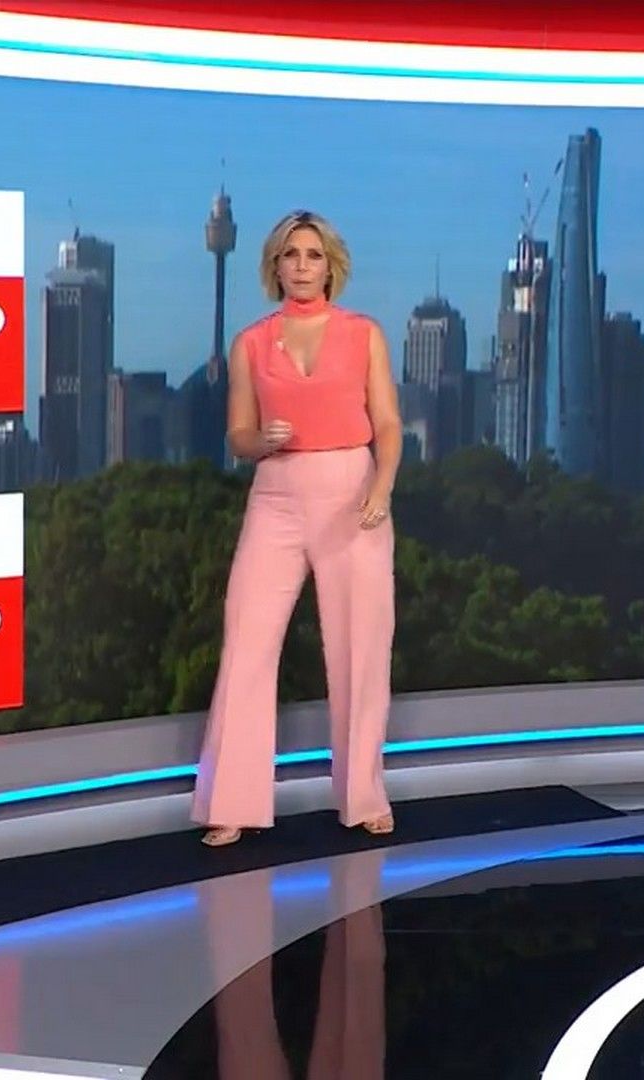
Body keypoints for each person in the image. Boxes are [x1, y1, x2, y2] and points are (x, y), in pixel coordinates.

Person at [192, 209, 401, 848]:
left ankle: (364, 795)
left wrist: (381, 488)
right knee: (247, 643)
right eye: (291, 255)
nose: (303, 266)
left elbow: (388, 424)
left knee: (360, 648)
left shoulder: (363, 334)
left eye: (313, 255)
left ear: (330, 266)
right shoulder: (251, 343)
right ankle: (230, 802)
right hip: (277, 495)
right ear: (275, 266)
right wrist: (262, 441)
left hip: (353, 493)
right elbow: (237, 435)